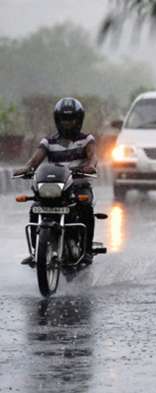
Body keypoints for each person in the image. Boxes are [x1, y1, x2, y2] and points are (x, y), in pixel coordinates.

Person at [14, 97, 98, 267]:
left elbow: (93, 157)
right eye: (63, 119)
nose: (67, 123)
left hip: (78, 186)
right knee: (34, 208)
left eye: (71, 119)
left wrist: (90, 166)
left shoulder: (87, 139)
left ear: (79, 120)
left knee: (86, 207)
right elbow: (35, 160)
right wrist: (27, 168)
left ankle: (87, 250)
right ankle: (35, 252)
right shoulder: (48, 142)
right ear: (57, 120)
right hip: (55, 187)